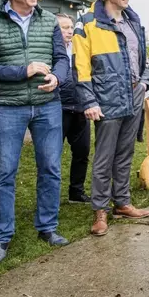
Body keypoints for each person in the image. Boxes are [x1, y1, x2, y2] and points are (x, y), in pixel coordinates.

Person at [0, 0, 70, 265]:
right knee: (4, 172)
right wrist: (24, 71)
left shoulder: (48, 20)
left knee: (51, 168)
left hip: (48, 105)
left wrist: (57, 78)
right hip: (8, 106)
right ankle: (1, 238)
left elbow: (61, 58)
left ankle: (47, 227)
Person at [73, 0, 149, 237]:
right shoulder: (88, 24)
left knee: (126, 153)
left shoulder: (133, 21)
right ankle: (100, 211)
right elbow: (80, 68)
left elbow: (142, 58)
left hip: (134, 95)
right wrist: (89, 100)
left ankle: (122, 202)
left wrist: (144, 84)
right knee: (104, 157)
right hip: (106, 99)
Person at [56, 13, 92, 204]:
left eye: (70, 27)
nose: (69, 31)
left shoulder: (80, 48)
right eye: (64, 27)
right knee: (52, 156)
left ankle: (76, 193)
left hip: (80, 108)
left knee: (82, 151)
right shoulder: (50, 50)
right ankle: (50, 197)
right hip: (58, 108)